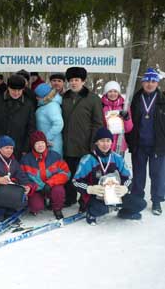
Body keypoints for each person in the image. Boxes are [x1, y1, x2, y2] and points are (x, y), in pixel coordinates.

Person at [73, 127, 146, 225]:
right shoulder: (88, 159)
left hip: (115, 195)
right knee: (101, 209)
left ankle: (124, 213)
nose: (105, 144)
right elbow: (75, 181)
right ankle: (91, 213)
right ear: (96, 142)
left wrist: (125, 187)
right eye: (102, 141)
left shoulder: (117, 158)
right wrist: (89, 189)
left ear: (112, 142)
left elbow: (128, 177)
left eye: (108, 141)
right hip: (95, 197)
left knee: (141, 204)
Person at [62, 67, 103, 210]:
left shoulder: (92, 99)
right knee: (69, 173)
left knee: (85, 175)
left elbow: (98, 123)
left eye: (76, 80)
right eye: (71, 80)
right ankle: (70, 197)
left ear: (83, 81)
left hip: (85, 145)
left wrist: (93, 144)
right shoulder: (65, 97)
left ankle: (84, 201)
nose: (73, 83)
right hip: (67, 144)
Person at [126, 68, 165, 215]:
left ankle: (156, 201)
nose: (150, 84)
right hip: (139, 144)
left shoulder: (162, 99)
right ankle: (137, 199)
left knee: (157, 174)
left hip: (158, 145)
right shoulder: (134, 99)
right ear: (142, 82)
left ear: (157, 83)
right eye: (147, 81)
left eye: (153, 81)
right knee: (139, 174)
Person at [20, 131, 69, 219]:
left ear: (46, 143)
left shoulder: (55, 156)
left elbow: (65, 173)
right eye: (37, 143)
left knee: (59, 190)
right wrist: (34, 187)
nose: (40, 145)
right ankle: (39, 202)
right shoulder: (26, 160)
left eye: (42, 142)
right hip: (36, 189)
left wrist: (50, 183)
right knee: (36, 207)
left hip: (51, 187)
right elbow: (22, 178)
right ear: (33, 145)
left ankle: (57, 209)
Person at [0, 73, 35, 158]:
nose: (16, 93)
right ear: (8, 88)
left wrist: (26, 148)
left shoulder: (28, 104)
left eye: (19, 90)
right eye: (13, 90)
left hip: (18, 147)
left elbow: (31, 128)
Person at [101, 80, 133, 153]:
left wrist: (127, 118)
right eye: (110, 91)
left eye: (115, 91)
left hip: (120, 145)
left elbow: (128, 129)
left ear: (118, 93)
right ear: (106, 93)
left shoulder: (124, 106)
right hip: (104, 145)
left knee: (118, 164)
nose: (113, 94)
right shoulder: (101, 106)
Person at [34, 83, 64, 156]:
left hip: (52, 144)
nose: (36, 98)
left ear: (45, 96)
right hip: (45, 144)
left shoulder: (52, 106)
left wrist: (46, 138)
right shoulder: (45, 105)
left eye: (38, 96)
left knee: (54, 166)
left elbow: (59, 124)